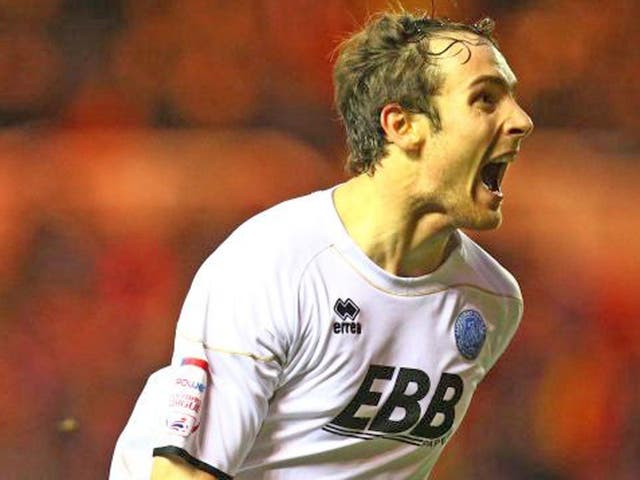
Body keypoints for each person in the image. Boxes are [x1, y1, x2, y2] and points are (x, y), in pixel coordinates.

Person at [110, 9, 533, 480]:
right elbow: (181, 475)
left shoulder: (492, 300)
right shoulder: (270, 267)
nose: (521, 120)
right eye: (486, 100)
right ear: (401, 125)